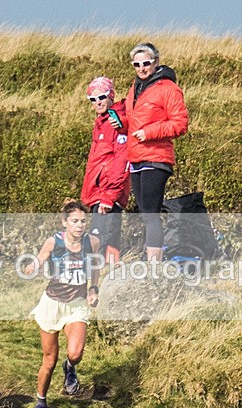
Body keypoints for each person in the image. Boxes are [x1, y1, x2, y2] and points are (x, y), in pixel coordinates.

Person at [24, 200, 100, 408]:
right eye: (75, 221)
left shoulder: (92, 242)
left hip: (77, 305)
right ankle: (41, 402)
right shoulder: (53, 242)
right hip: (52, 304)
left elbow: (95, 266)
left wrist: (94, 289)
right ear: (65, 222)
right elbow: (40, 259)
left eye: (83, 221)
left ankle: (70, 368)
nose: (79, 225)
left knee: (75, 354)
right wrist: (32, 267)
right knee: (49, 360)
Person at [125, 42, 189, 261]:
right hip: (135, 158)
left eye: (146, 63)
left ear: (156, 62)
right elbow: (133, 119)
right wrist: (119, 121)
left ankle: (154, 264)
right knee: (145, 213)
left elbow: (180, 124)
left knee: (151, 213)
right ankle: (150, 257)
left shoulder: (169, 89)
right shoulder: (135, 88)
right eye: (137, 64)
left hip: (156, 158)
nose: (142, 68)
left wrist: (149, 132)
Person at [82, 76, 131, 264]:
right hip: (98, 191)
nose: (97, 102)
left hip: (108, 193)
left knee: (107, 239)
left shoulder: (115, 120)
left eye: (101, 97)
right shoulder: (101, 122)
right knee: (98, 241)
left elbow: (121, 161)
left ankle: (109, 278)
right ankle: (102, 277)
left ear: (111, 95)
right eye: (92, 99)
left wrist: (109, 196)